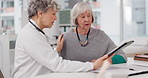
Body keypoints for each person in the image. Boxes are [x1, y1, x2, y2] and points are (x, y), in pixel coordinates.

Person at [11, 0, 113, 78]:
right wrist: (92, 66)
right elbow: (57, 64)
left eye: (89, 16)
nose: (55, 18)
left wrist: (57, 50)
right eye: (53, 14)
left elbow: (45, 59)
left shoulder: (36, 33)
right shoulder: (31, 35)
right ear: (40, 13)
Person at [60, 2, 127, 64]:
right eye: (83, 17)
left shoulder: (101, 35)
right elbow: (56, 62)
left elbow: (122, 56)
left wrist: (104, 61)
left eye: (89, 16)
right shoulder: (65, 37)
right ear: (76, 20)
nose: (87, 19)